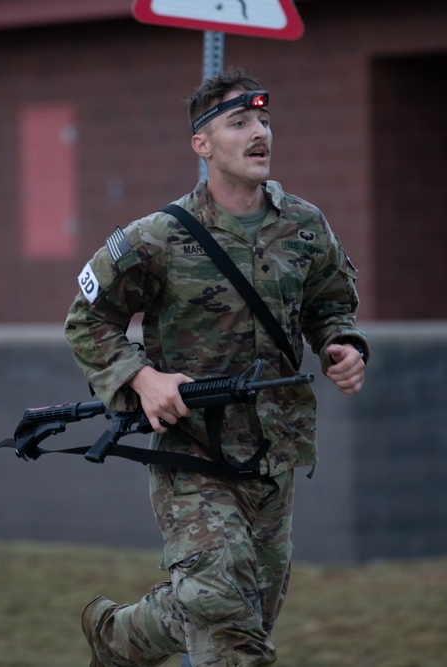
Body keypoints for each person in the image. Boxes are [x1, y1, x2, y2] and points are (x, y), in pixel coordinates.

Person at [64, 66, 368, 667]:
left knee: (233, 610)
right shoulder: (157, 238)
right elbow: (86, 320)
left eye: (263, 120)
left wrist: (343, 343)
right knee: (231, 634)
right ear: (202, 145)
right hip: (194, 458)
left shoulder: (304, 226)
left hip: (274, 457)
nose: (260, 134)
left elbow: (331, 302)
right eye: (240, 122)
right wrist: (142, 379)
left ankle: (120, 641)